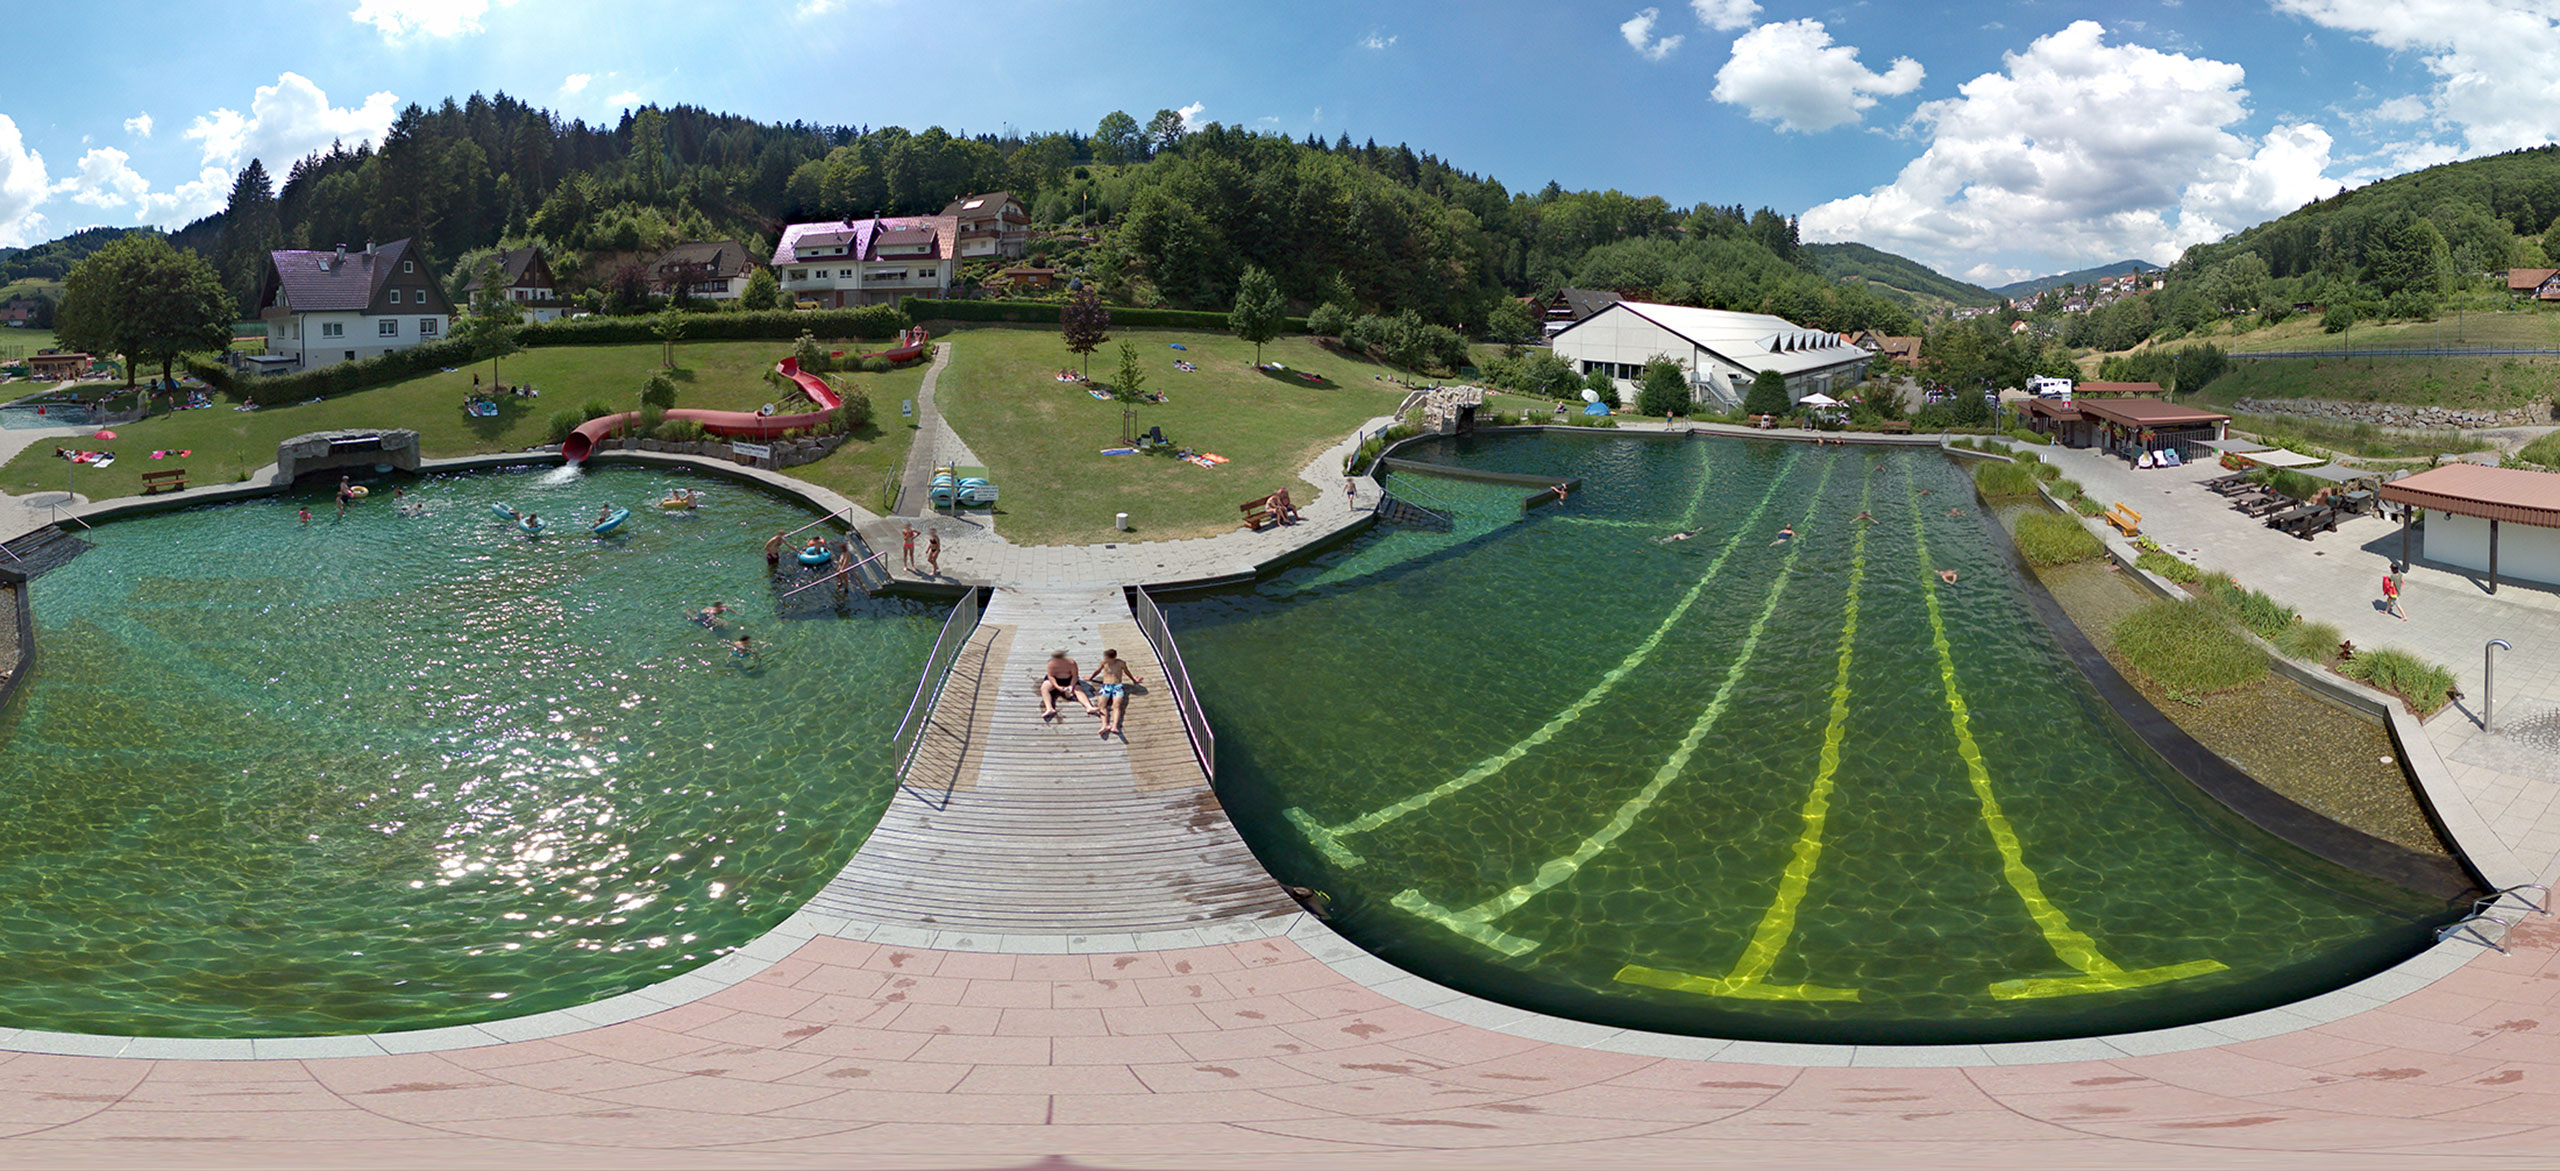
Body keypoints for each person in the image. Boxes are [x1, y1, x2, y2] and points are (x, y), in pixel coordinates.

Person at [1089, 648, 1143, 739]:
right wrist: (1091, 677)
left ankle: (1114, 726)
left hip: (1117, 686)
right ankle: (1104, 725)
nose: (1104, 658)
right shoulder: (1104, 663)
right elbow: (1098, 670)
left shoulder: (1121, 663)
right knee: (1101, 705)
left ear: (1112, 658)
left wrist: (1134, 680)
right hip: (1106, 686)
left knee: (1116, 706)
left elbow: (1127, 672)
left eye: (1106, 657)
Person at [1039, 650, 1098, 720]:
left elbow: (1075, 675)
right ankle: (1049, 708)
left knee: (1078, 690)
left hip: (1069, 679)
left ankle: (1089, 707)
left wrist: (1072, 686)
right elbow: (1050, 676)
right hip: (1056, 679)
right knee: (1044, 688)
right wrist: (1057, 687)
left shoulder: (1071, 663)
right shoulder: (1051, 664)